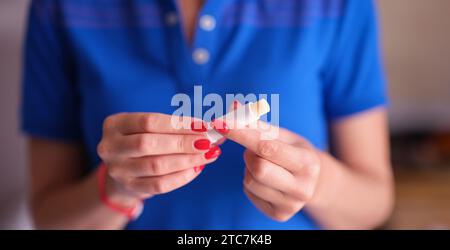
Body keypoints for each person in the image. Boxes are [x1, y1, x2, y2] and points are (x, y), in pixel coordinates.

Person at [22, 0, 394, 229]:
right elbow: (49, 218)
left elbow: (374, 204)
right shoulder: (59, 7)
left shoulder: (338, 4)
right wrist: (117, 187)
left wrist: (317, 182)